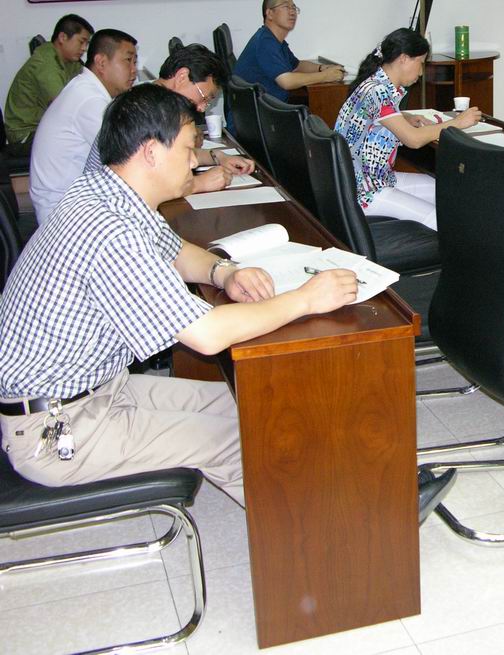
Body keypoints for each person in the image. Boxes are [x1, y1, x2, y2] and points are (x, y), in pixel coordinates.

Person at [0, 84, 455, 517]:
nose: (194, 162)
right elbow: (206, 334)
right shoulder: (110, 229)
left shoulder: (107, 192)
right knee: (237, 439)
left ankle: (373, 486)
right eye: (188, 149)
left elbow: (176, 252)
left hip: (98, 392)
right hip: (58, 428)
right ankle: (355, 528)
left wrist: (225, 271)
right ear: (151, 152)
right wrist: (305, 299)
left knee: (257, 405)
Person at [336, 28, 481, 230]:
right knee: (441, 220)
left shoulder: (375, 83)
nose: (421, 72)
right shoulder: (378, 91)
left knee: (448, 191)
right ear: (403, 59)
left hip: (375, 179)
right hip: (365, 191)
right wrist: (457, 122)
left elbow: (374, 117)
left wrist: (404, 117)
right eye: (420, 63)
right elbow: (413, 139)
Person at [83, 43, 256, 194]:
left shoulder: (150, 96)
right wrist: (199, 184)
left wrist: (218, 156)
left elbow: (171, 155)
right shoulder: (146, 109)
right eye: (204, 97)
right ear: (182, 77)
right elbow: (140, 185)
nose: (202, 107)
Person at [29, 28, 137, 226]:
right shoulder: (89, 100)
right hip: (63, 212)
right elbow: (130, 157)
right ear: (101, 62)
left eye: (134, 62)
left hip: (74, 200)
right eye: (128, 60)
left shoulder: (86, 88)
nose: (134, 70)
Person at [4, 14, 94, 155]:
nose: (84, 48)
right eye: (81, 42)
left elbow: (90, 83)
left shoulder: (69, 61)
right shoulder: (45, 62)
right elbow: (63, 106)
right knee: (85, 144)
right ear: (63, 37)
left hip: (42, 128)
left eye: (87, 44)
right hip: (25, 135)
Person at [234, 0, 344, 102]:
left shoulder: (276, 41)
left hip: (269, 108)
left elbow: (297, 65)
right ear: (270, 13)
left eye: (294, 8)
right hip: (260, 113)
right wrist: (325, 76)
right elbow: (286, 81)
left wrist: (321, 68)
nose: (292, 12)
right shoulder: (265, 42)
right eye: (286, 7)